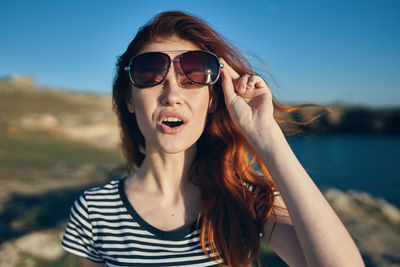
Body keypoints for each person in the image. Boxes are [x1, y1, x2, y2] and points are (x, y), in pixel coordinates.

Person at [61, 11, 365, 267]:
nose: (172, 96)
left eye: (191, 78)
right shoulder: (93, 210)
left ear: (211, 100)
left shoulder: (247, 200)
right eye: (150, 75)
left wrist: (266, 135)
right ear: (130, 99)